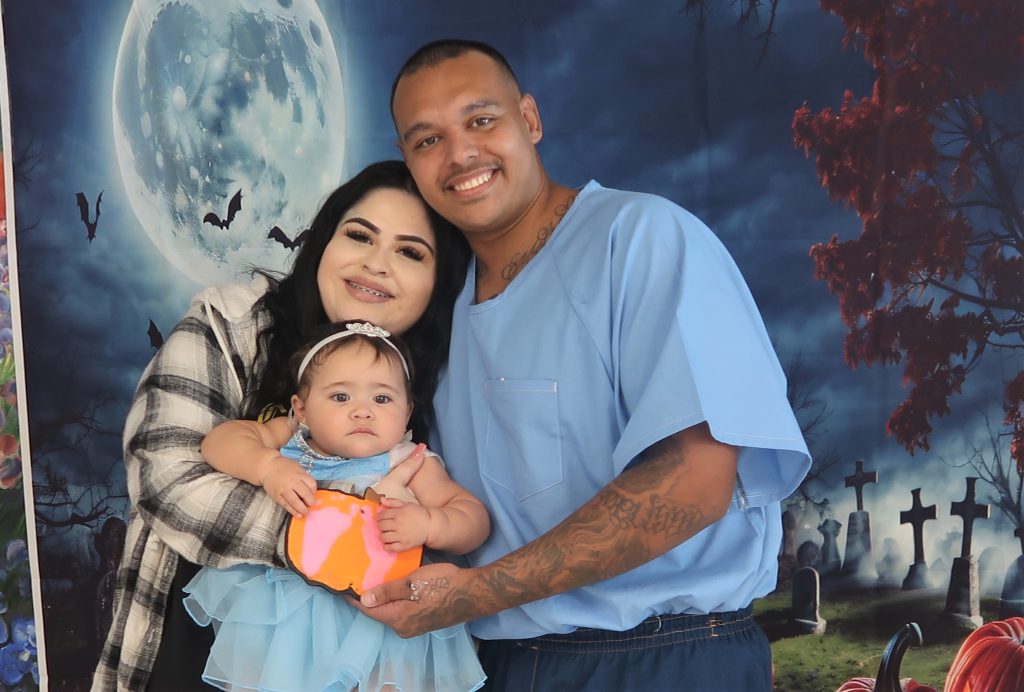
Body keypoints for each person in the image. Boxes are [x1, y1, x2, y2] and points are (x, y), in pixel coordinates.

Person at [351, 39, 813, 691]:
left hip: (663, 660)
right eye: (426, 140)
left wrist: (479, 593)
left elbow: (694, 482)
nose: (460, 155)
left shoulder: (642, 239)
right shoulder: (431, 308)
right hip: (496, 665)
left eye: (481, 120)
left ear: (530, 120)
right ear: (409, 161)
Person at [92, 160, 471, 691]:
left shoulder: (447, 378)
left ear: (439, 283)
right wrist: (336, 542)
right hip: (202, 647)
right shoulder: (233, 324)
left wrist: (429, 535)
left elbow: (467, 521)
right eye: (359, 235)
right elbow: (166, 473)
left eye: (410, 251)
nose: (376, 264)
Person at [182, 321, 489, 691]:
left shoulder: (410, 462)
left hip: (379, 615)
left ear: (407, 412)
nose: (363, 411)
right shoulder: (293, 441)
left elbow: (472, 517)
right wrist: (267, 466)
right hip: (287, 607)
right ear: (302, 409)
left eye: (382, 398)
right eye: (341, 397)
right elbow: (219, 441)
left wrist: (430, 523)